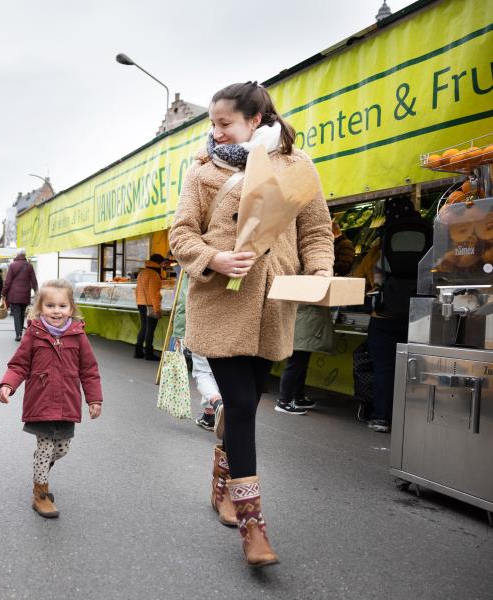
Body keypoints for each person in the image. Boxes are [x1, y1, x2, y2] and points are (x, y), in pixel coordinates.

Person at [169, 82, 333, 567]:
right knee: (241, 404)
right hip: (219, 304)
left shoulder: (296, 165)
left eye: (225, 123)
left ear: (255, 120)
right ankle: (252, 525)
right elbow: (181, 234)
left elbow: (316, 229)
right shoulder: (202, 170)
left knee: (247, 405)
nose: (216, 132)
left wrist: (320, 271)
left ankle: (222, 483)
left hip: (272, 306)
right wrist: (213, 257)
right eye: (212, 124)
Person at [0, 279, 102, 518]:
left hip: (67, 403)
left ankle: (40, 466)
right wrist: (8, 385)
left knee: (62, 448)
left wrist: (94, 399)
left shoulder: (78, 336)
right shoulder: (34, 334)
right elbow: (19, 365)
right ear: (40, 307)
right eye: (50, 305)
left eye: (62, 306)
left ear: (71, 308)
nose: (56, 311)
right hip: (41, 402)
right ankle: (40, 495)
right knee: (45, 448)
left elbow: (89, 370)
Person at [363, 198, 431, 433]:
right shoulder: (429, 235)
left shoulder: (381, 242)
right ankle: (414, 419)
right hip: (419, 313)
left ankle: (382, 418)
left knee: (384, 368)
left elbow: (361, 274)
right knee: (418, 367)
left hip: (384, 314)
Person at [276, 222, 356, 415]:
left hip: (305, 317)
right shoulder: (303, 263)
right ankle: (283, 400)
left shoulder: (298, 259)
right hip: (304, 317)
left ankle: (298, 396)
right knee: (296, 362)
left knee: (302, 360)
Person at [171, 272, 222, 430]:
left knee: (202, 372)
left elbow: (183, 305)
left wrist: (179, 335)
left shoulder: (193, 269)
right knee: (221, 372)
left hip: (201, 328)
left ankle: (216, 404)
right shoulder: (232, 267)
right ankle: (209, 415)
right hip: (226, 330)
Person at [1, 249, 38, 341]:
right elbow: (34, 280)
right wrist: (36, 291)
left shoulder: (13, 265)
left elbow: (8, 282)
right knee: (22, 313)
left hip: (14, 295)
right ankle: (20, 331)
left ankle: (18, 334)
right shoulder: (29, 266)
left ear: (17, 254)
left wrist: (3, 293)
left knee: (17, 314)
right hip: (25, 294)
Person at [134, 253, 165, 361]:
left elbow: (137, 290)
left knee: (143, 327)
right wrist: (157, 309)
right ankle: (149, 354)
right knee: (150, 329)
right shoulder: (154, 275)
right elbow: (154, 294)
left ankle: (138, 352)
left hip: (141, 303)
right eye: (162, 263)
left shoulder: (142, 273)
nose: (163, 265)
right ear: (158, 263)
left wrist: (139, 302)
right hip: (150, 305)